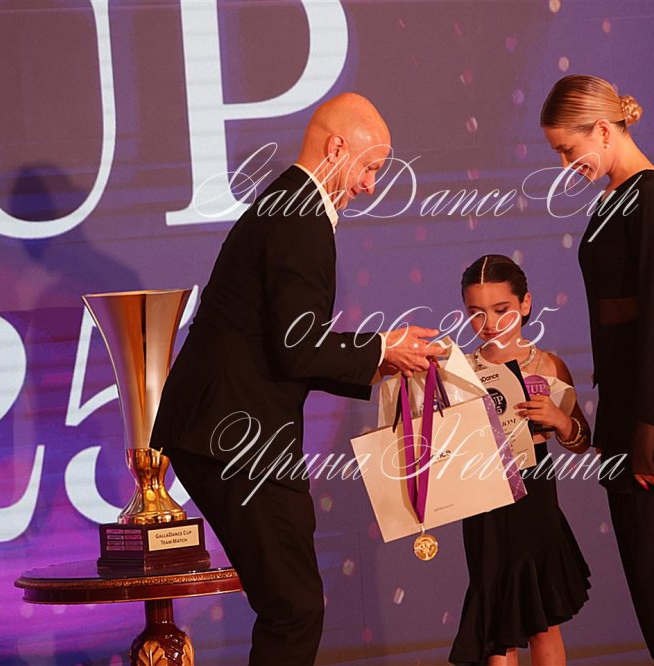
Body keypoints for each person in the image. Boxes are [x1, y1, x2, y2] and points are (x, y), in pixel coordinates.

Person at [151, 92, 438, 666]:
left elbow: (283, 341)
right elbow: (297, 346)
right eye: (369, 168)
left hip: (225, 431)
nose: (370, 186)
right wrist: (382, 346)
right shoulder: (301, 216)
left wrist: (377, 360)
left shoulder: (286, 205)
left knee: (290, 604)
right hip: (238, 436)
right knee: (294, 608)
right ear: (336, 148)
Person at [539, 74, 654, 665]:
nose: (565, 165)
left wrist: (648, 429)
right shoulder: (613, 197)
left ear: (602, 129)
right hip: (628, 412)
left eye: (568, 149)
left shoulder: (653, 196)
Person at [449, 254, 592, 666]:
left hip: (536, 504)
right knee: (498, 627)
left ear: (525, 303)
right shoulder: (460, 373)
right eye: (476, 313)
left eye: (501, 310)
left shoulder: (549, 365)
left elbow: (581, 440)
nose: (490, 323)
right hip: (486, 508)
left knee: (543, 622)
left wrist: (559, 420)